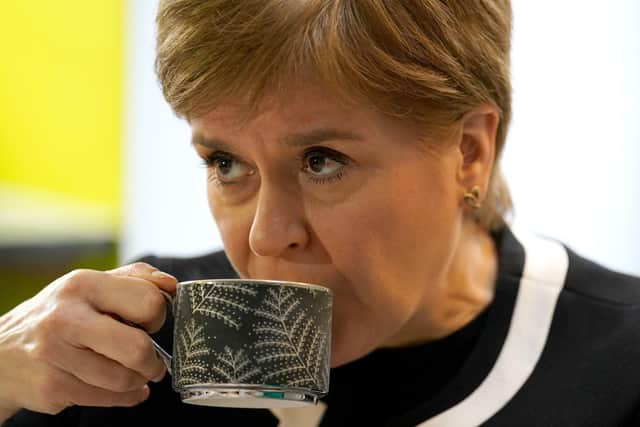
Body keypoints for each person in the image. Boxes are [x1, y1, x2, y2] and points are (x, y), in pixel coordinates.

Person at [2, 1, 639, 426]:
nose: (266, 237)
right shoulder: (123, 357)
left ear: (467, 153)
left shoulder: (620, 367)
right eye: (225, 163)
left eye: (321, 161)